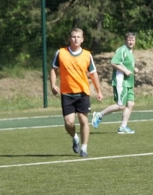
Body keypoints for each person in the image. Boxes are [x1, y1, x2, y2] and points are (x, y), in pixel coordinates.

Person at [50, 28, 103, 158]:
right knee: (69, 123)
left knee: (83, 119)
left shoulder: (87, 55)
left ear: (82, 39)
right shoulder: (61, 53)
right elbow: (53, 69)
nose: (76, 39)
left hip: (83, 92)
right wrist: (53, 85)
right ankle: (75, 137)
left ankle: (84, 148)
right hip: (67, 93)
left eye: (78, 37)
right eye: (73, 36)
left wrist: (99, 90)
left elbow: (93, 74)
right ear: (70, 38)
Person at [92, 32, 137, 134]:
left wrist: (134, 69)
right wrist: (125, 71)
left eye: (133, 40)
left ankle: (123, 127)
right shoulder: (122, 50)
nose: (131, 42)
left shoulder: (130, 52)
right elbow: (113, 62)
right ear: (125, 40)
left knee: (130, 104)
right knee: (121, 106)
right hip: (121, 81)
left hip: (129, 82)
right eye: (129, 40)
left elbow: (125, 64)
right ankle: (99, 115)